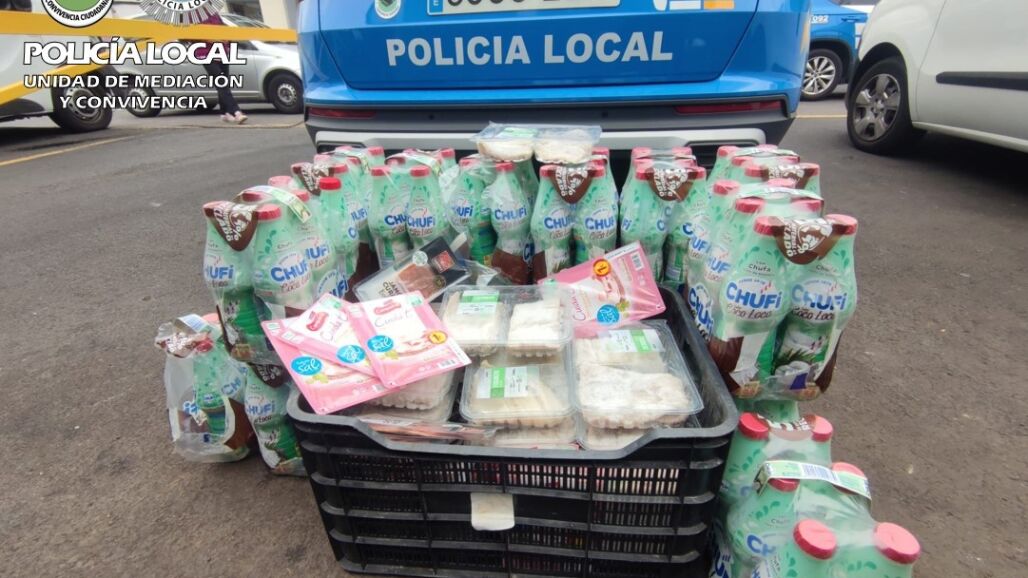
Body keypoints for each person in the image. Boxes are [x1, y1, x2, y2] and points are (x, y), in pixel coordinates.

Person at [195, 13, 247, 124]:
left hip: (221, 52)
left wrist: (227, 38)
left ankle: (225, 113)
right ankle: (237, 112)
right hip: (205, 54)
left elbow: (223, 29)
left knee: (223, 83)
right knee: (221, 82)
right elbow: (195, 34)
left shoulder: (214, 14)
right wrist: (214, 39)